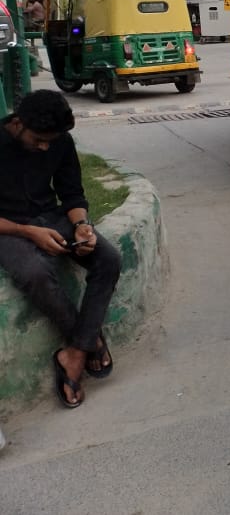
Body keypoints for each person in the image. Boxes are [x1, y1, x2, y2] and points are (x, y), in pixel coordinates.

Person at [0, 90, 121, 408]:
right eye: (39, 139)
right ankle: (90, 341)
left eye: (50, 140)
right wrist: (27, 231)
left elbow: (72, 193)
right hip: (8, 228)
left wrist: (83, 226)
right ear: (18, 123)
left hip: (52, 217)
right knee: (35, 272)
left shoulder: (59, 142)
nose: (45, 147)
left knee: (108, 258)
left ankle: (75, 352)